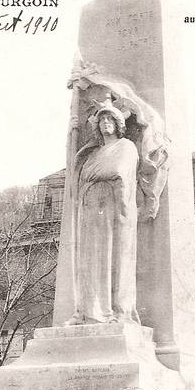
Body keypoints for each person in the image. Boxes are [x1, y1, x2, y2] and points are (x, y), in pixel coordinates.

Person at [67, 97, 140, 325]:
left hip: (112, 206)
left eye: (110, 119)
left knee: (111, 257)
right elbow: (84, 176)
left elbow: (118, 171)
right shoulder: (93, 153)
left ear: (118, 124)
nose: (106, 123)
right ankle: (88, 311)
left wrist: (99, 177)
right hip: (90, 208)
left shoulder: (126, 147)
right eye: (102, 120)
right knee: (90, 259)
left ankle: (112, 311)